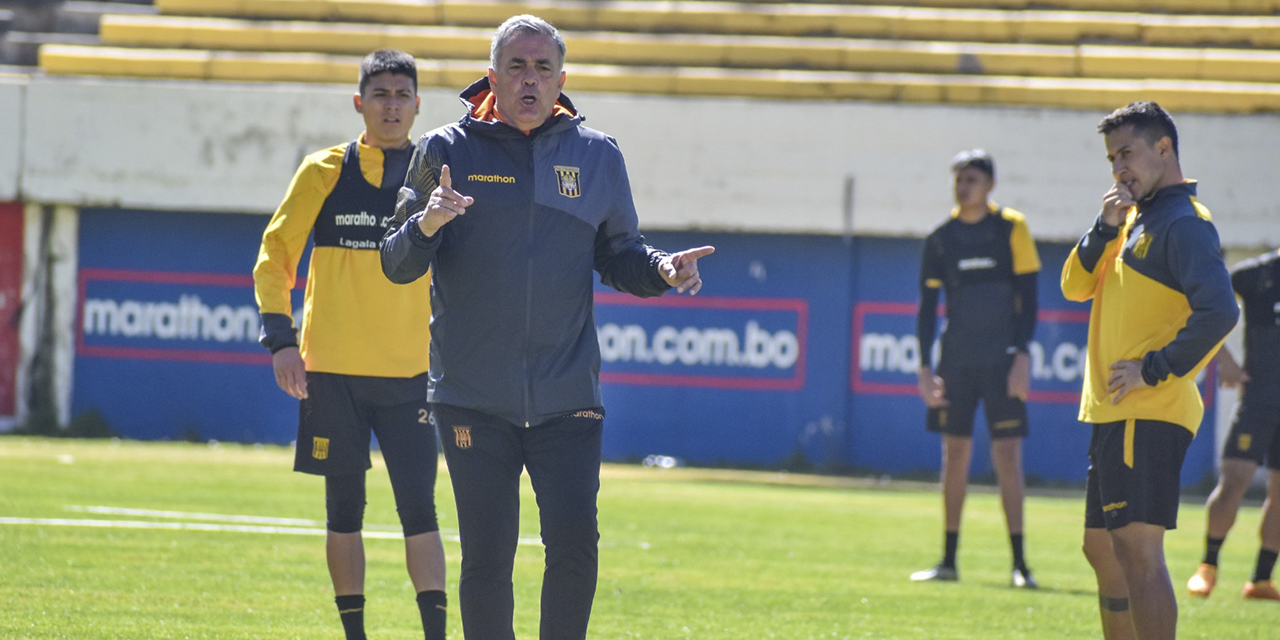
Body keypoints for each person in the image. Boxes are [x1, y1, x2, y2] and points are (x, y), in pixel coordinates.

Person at [379, 15, 714, 640]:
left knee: (574, 550)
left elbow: (622, 255)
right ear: (493, 75)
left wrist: (662, 269)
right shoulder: (445, 150)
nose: (529, 79)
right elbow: (395, 262)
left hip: (567, 400)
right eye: (516, 66)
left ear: (562, 77)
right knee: (487, 557)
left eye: (542, 67)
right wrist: (427, 222)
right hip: (471, 398)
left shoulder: (598, 155)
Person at [253, 49, 448, 640]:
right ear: (359, 102)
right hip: (331, 372)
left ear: (418, 105)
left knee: (420, 510)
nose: (392, 105)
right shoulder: (323, 170)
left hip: (412, 371)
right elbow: (274, 258)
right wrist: (281, 342)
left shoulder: (436, 174)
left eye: (402, 95)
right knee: (344, 512)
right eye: (380, 94)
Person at [1061, 101, 1238, 640]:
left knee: (1138, 551)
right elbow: (1073, 287)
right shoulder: (1131, 217)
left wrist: (1155, 369)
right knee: (1103, 549)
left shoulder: (1184, 224)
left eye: (1128, 153)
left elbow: (1221, 311)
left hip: (1149, 409)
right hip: (1115, 410)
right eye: (1112, 158)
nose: (1118, 168)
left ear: (1164, 148)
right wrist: (1102, 226)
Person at [911, 149, 1041, 588]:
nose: (963, 186)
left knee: (1008, 456)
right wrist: (925, 369)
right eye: (959, 179)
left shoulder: (1011, 228)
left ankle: (1020, 565)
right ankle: (948, 561)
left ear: (989, 185)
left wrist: (1022, 355)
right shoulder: (941, 238)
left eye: (971, 179)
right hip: (957, 362)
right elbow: (927, 309)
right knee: (955, 456)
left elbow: (1030, 299)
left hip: (1002, 360)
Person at [1186, 248, 1280, 602]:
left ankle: (1261, 579)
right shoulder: (1256, 274)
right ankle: (1207, 566)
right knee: (1234, 482)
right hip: (1257, 401)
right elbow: (1199, 299)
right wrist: (1221, 357)